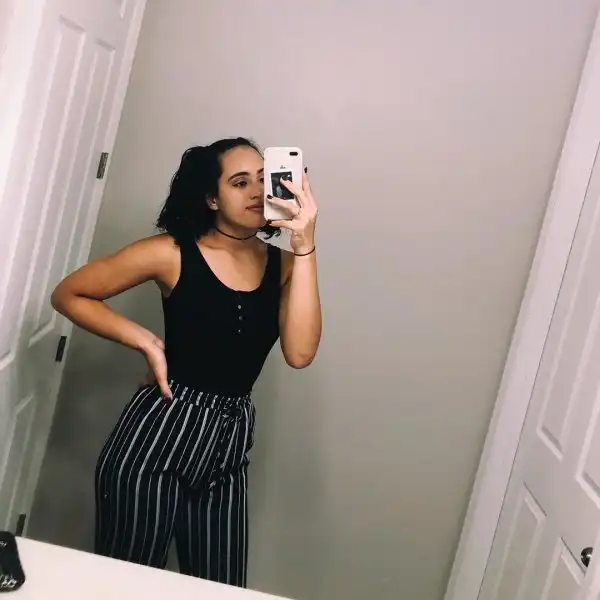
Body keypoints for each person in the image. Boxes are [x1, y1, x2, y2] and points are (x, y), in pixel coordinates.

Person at [50, 137, 322, 587]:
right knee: (128, 585)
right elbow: (69, 294)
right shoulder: (171, 252)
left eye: (264, 178)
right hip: (158, 433)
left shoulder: (287, 266)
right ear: (212, 198)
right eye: (240, 182)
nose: (258, 191)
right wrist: (144, 341)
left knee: (219, 588)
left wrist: (305, 244)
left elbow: (300, 353)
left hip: (229, 441)